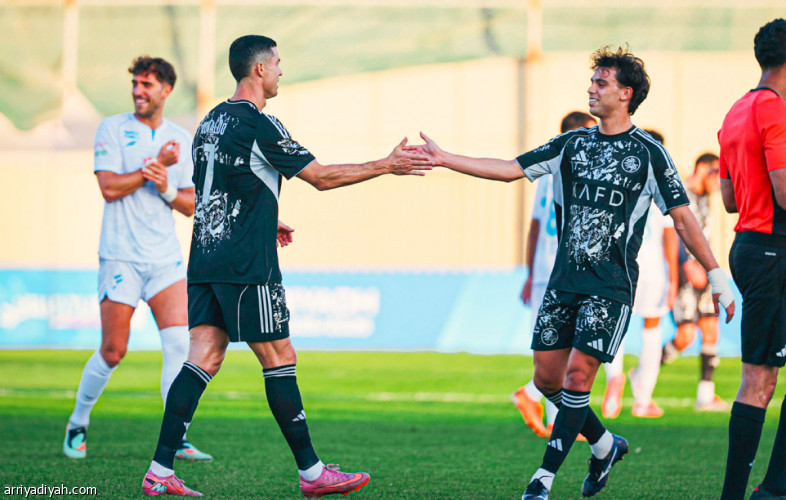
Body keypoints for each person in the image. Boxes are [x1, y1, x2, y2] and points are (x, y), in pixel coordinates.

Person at [407, 45, 734, 500]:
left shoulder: (650, 154)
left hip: (610, 287)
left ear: (626, 93)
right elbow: (509, 169)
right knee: (547, 380)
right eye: (592, 81)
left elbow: (682, 218)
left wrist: (716, 274)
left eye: (601, 83)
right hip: (563, 283)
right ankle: (604, 445)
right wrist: (445, 158)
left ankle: (541, 480)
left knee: (578, 378)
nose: (591, 89)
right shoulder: (571, 145)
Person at [139, 35, 430, 497]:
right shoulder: (261, 124)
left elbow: (218, 188)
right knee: (279, 357)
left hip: (206, 259)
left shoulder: (210, 121)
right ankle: (312, 474)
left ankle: (159, 470)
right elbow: (322, 177)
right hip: (246, 264)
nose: (280, 71)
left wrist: (264, 217)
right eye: (276, 63)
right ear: (259, 69)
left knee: (203, 357)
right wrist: (386, 164)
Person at [63, 56, 211, 462]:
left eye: (146, 84)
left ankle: (177, 436)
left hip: (165, 259)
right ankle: (78, 421)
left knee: (179, 344)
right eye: (135, 83)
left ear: (166, 90)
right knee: (113, 351)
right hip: (120, 258)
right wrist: (156, 167)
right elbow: (109, 188)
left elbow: (190, 204)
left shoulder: (180, 138)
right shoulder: (112, 128)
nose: (138, 91)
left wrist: (167, 187)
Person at [513, 111, 627, 437]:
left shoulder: (547, 172)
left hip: (547, 270)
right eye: (589, 132)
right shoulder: (584, 170)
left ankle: (551, 414)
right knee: (568, 349)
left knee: (557, 348)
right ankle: (540, 402)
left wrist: (530, 272)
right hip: (569, 271)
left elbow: (535, 227)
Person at [719, 18, 786, 500]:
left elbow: (728, 198)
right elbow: (784, 192)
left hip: (751, 246)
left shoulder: (736, 110)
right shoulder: (776, 110)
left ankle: (774, 488)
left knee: (760, 377)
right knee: (758, 380)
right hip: (772, 249)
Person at [660, 152, 728, 412]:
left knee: (711, 329)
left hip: (705, 273)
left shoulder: (705, 197)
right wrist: (685, 264)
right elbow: (672, 231)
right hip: (684, 273)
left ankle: (705, 395)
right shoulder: (681, 192)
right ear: (702, 168)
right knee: (686, 336)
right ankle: (647, 370)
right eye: (716, 173)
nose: (719, 182)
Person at [626, 129, 679, 418]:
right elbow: (671, 234)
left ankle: (616, 390)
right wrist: (673, 277)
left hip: (625, 266)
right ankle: (642, 399)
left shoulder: (621, 176)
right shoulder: (663, 180)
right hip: (651, 269)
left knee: (615, 330)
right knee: (651, 330)